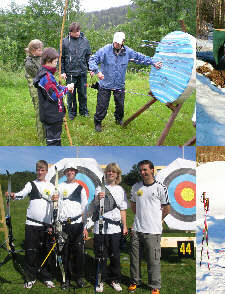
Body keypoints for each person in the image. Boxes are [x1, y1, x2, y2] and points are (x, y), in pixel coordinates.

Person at [89, 32, 163, 132]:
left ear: (123, 42)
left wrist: (153, 62)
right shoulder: (105, 50)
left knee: (120, 105)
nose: (116, 44)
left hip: (119, 84)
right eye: (115, 42)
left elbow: (139, 58)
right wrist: (97, 71)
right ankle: (98, 122)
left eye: (119, 43)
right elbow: (92, 60)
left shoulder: (128, 52)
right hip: (105, 84)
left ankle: (119, 120)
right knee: (102, 106)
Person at [6, 160, 58, 289]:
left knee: (46, 252)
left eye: (42, 170)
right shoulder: (31, 184)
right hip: (31, 224)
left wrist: (55, 199)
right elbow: (21, 194)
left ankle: (46, 277)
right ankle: (30, 277)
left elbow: (56, 204)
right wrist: (13, 195)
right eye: (38, 170)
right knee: (31, 251)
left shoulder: (51, 186)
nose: (40, 172)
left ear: (46, 171)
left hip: (46, 225)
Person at [128, 160, 171, 294]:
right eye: (140, 170)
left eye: (145, 169)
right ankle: (135, 281)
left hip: (153, 230)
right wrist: (140, 219)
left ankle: (155, 286)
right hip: (137, 229)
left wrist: (157, 220)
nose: (143, 172)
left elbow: (167, 208)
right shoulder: (136, 187)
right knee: (134, 258)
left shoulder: (160, 187)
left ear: (152, 170)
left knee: (153, 260)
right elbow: (133, 206)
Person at [90, 163, 128, 293]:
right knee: (101, 254)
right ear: (105, 174)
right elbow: (94, 205)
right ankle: (100, 279)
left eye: (113, 172)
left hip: (115, 228)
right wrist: (97, 198)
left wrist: (124, 226)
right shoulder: (99, 188)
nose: (110, 173)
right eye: (108, 171)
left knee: (115, 255)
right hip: (100, 227)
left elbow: (123, 209)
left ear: (117, 174)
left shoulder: (120, 190)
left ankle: (114, 279)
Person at [33, 47, 74, 146]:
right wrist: (66, 89)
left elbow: (54, 87)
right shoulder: (46, 77)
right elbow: (54, 95)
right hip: (51, 115)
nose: (57, 64)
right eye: (55, 62)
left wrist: (64, 87)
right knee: (53, 140)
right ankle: (53, 157)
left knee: (55, 137)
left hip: (52, 113)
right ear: (48, 61)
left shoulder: (46, 73)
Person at [57, 162, 88, 289]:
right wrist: (56, 223)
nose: (70, 172)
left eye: (72, 171)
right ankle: (66, 279)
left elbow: (85, 208)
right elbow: (56, 206)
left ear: (75, 173)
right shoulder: (59, 187)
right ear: (65, 173)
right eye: (68, 170)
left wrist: (85, 226)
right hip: (63, 225)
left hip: (77, 225)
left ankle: (79, 277)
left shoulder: (80, 188)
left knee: (79, 253)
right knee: (64, 253)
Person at [60, 22, 92, 120]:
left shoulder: (85, 41)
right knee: (71, 95)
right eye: (75, 32)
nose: (77, 33)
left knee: (83, 93)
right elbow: (61, 58)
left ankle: (83, 111)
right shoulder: (65, 42)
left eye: (78, 31)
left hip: (82, 72)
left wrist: (90, 69)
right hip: (70, 74)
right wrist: (62, 71)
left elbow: (88, 56)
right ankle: (72, 113)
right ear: (70, 32)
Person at [24, 39, 45, 143]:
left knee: (45, 109)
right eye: (39, 49)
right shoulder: (29, 63)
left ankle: (47, 132)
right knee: (39, 111)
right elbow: (39, 75)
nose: (41, 51)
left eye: (42, 49)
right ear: (32, 51)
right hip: (36, 90)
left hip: (43, 87)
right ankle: (41, 137)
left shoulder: (39, 58)